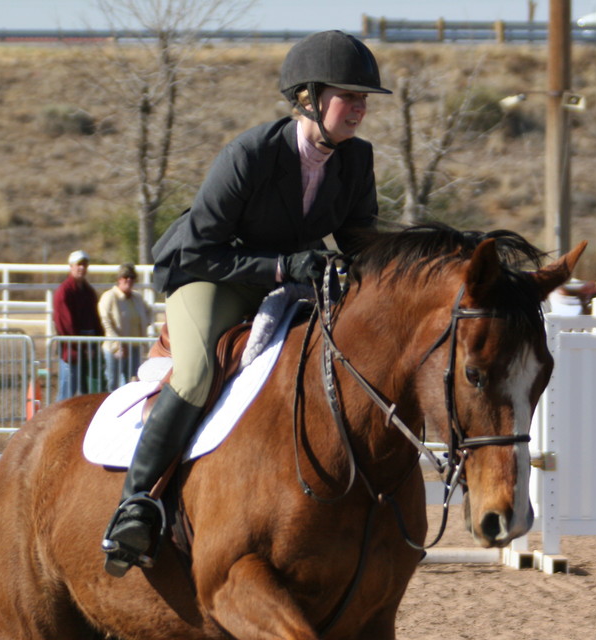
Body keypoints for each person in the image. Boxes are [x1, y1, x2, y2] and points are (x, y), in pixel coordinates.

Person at [100, 30, 390, 577]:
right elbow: (202, 247)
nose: (359, 108)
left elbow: (360, 242)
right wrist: (283, 266)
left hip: (289, 280)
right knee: (196, 372)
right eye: (348, 95)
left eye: (364, 99)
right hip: (209, 273)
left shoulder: (357, 160)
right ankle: (134, 506)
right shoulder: (250, 155)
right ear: (307, 97)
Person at [53, 250, 104, 400]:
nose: (82, 268)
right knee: (67, 394)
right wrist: (83, 346)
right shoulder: (64, 292)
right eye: (79, 265)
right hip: (73, 351)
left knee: (88, 394)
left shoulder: (88, 292)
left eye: (84, 265)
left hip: (88, 349)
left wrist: (95, 344)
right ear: (71, 266)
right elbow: (66, 325)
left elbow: (95, 319)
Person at [98, 263, 154, 391]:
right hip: (114, 349)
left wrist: (145, 326)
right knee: (112, 383)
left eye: (131, 277)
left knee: (132, 382)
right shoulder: (109, 297)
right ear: (119, 279)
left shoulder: (137, 297)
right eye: (125, 276)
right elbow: (106, 322)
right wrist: (117, 343)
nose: (128, 280)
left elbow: (149, 312)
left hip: (134, 347)